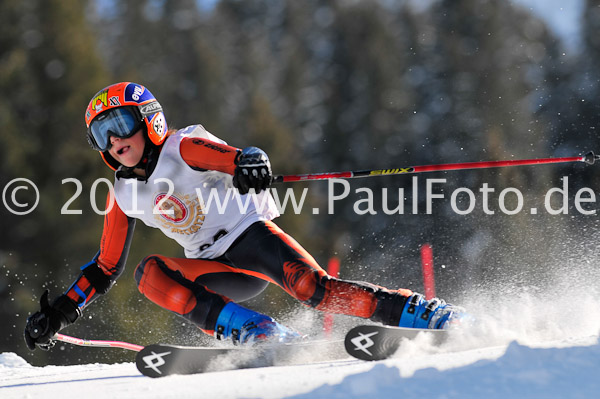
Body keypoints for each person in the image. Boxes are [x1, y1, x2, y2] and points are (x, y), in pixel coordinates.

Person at [24, 82, 463, 350]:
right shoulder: (121, 195)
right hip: (216, 267)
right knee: (149, 274)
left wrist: (251, 165)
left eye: (119, 123)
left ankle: (416, 312)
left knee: (314, 289)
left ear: (149, 120)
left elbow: (237, 157)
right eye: (101, 133)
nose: (113, 139)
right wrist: (61, 312)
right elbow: (104, 268)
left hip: (250, 237)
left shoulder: (183, 147)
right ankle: (257, 331)